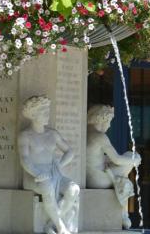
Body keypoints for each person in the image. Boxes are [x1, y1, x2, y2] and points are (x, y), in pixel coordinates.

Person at [18, 96, 80, 234]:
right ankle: (61, 228)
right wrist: (37, 173)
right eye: (44, 112)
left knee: (74, 189)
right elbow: (25, 159)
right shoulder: (25, 136)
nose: (48, 115)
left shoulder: (53, 134)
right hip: (34, 175)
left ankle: (50, 224)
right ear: (33, 114)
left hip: (54, 173)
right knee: (47, 187)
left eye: (48, 111)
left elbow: (69, 151)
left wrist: (60, 164)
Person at [86, 104, 141, 230]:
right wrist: (135, 159)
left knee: (124, 167)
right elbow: (117, 159)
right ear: (102, 119)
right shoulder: (100, 137)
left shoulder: (85, 132)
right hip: (99, 180)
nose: (110, 125)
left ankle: (124, 214)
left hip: (89, 177)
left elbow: (94, 157)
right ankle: (123, 214)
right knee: (129, 156)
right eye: (109, 121)